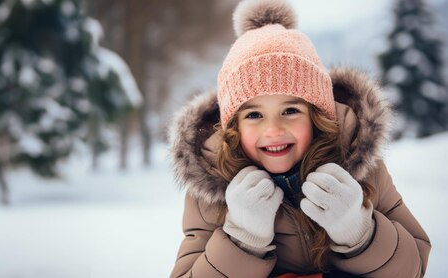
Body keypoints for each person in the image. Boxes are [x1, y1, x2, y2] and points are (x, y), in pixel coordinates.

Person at [168, 0, 431, 277]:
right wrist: (242, 239)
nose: (273, 129)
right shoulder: (211, 192)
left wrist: (360, 233)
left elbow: (414, 267)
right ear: (232, 127)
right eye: (254, 115)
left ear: (316, 116)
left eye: (290, 110)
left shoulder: (362, 169)